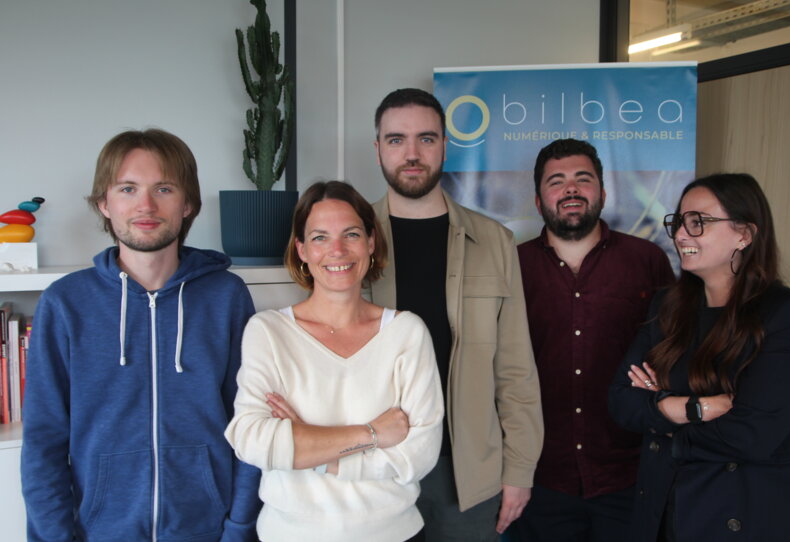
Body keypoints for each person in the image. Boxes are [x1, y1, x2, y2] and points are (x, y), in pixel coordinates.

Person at [21, 128, 262, 541]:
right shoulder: (65, 304)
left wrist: (240, 528)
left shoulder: (226, 297)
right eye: (128, 188)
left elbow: (251, 423)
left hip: (209, 531)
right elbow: (43, 442)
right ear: (104, 203)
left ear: (187, 204)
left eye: (164, 188)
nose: (146, 205)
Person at [608, 173, 790, 541]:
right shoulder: (668, 307)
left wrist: (660, 413)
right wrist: (696, 409)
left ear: (744, 234)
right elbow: (622, 400)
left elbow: (751, 435)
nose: (681, 234)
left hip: (755, 515)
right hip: (670, 509)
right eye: (679, 222)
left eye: (698, 222)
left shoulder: (788, 313)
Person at [369, 87, 543, 540]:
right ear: (377, 149)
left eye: (426, 139)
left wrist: (520, 470)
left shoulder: (494, 241)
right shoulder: (350, 241)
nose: (411, 153)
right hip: (373, 467)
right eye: (396, 140)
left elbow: (516, 369)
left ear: (445, 145)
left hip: (466, 473)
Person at [225, 180, 443, 542]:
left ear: (371, 243)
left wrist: (313, 449)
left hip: (394, 534)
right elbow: (251, 441)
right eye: (320, 237)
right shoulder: (268, 331)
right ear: (302, 250)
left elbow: (418, 455)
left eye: (351, 234)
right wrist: (371, 435)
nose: (337, 250)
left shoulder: (406, 332)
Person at [510, 139, 674, 542]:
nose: (571, 189)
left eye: (583, 179)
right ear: (537, 199)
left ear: (602, 192)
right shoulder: (511, 267)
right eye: (557, 181)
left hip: (630, 476)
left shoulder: (647, 260)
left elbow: (674, 351)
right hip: (540, 479)